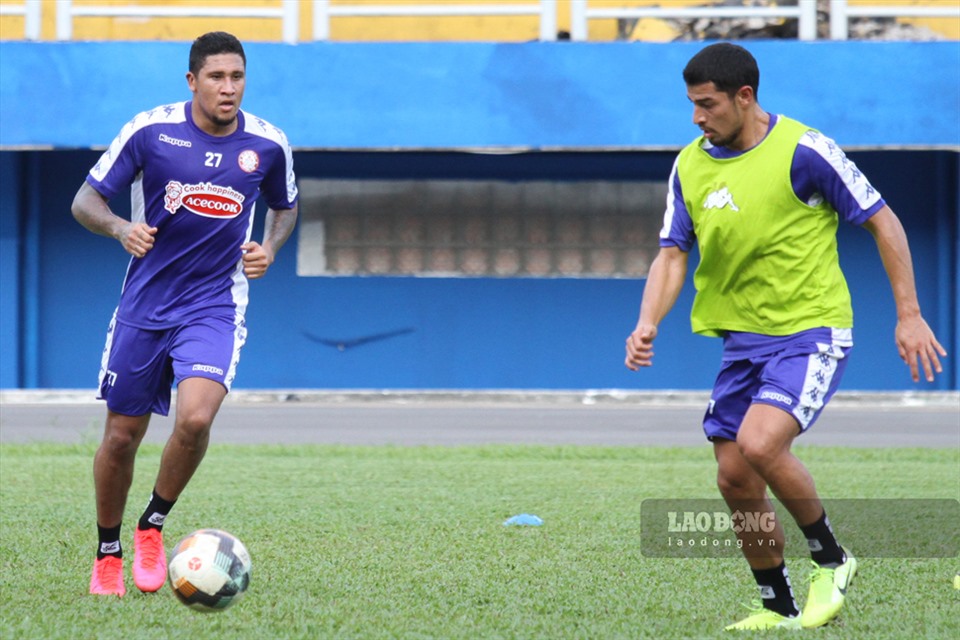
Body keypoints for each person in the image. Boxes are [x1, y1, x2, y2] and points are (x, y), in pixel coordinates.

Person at [624, 42, 945, 631]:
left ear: (744, 97)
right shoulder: (689, 165)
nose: (698, 117)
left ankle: (833, 557)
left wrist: (909, 313)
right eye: (692, 105)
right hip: (741, 341)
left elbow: (884, 219)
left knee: (761, 444)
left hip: (810, 330)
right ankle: (777, 602)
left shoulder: (805, 150)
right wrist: (648, 322)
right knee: (733, 476)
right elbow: (672, 253)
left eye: (708, 104)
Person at [72, 31, 299, 597]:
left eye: (238, 77)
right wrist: (122, 227)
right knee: (122, 437)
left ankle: (151, 526)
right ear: (192, 80)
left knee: (195, 419)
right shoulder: (151, 131)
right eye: (217, 77)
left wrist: (268, 247)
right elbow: (85, 201)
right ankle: (107, 551)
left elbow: (286, 206)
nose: (229, 88)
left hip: (214, 304)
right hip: (145, 303)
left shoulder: (268, 145)